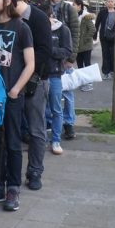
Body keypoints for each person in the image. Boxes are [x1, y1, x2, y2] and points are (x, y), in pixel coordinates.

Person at [0, 0, 34, 212]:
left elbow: (30, 64)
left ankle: (13, 186)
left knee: (13, 142)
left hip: (13, 96)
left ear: (6, 1)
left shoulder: (21, 27)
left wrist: (16, 89)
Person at [17, 0, 52, 191]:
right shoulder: (4, 20)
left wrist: (24, 70)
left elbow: (45, 52)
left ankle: (35, 171)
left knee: (36, 129)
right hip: (12, 82)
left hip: (35, 82)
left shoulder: (38, 18)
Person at [47, 0, 79, 142]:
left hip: (64, 57)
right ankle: (52, 124)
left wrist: (71, 58)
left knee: (67, 92)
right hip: (50, 60)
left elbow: (75, 33)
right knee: (51, 94)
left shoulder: (68, 9)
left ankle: (69, 123)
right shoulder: (44, 6)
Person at [45, 15, 73, 156]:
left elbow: (67, 51)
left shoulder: (62, 29)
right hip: (40, 74)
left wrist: (50, 50)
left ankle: (55, 140)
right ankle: (42, 138)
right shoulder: (36, 27)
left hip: (55, 74)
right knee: (41, 110)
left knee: (56, 109)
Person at [94, 0, 115, 79]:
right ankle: (105, 72)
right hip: (104, 37)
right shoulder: (102, 12)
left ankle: (112, 71)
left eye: (112, 1)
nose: (110, 3)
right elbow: (97, 24)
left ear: (114, 2)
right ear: (106, 3)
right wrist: (94, 35)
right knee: (105, 54)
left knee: (114, 55)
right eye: (109, 1)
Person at [73, 0, 95, 69]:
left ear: (79, 6)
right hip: (78, 46)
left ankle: (88, 80)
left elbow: (92, 29)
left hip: (86, 45)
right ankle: (81, 79)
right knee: (79, 64)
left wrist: (85, 39)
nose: (72, 6)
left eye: (74, 5)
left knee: (87, 64)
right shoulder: (74, 16)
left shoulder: (86, 16)